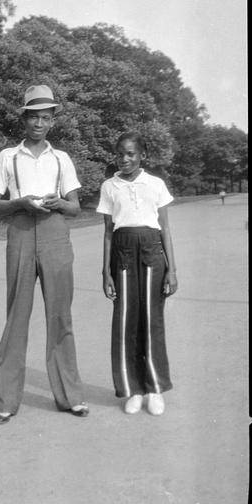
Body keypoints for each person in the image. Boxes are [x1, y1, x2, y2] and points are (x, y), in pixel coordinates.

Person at [0, 84, 89, 424]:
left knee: (60, 315)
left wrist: (59, 203)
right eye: (33, 117)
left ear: (52, 122)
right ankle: (5, 400)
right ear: (24, 118)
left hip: (55, 232)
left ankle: (70, 396)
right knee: (17, 314)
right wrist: (18, 202)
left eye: (46, 118)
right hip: (20, 229)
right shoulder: (8, 157)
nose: (39, 124)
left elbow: (75, 207)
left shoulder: (61, 159)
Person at [97, 131, 178, 416]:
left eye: (131, 153)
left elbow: (165, 229)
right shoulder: (109, 186)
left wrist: (172, 269)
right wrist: (105, 272)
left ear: (142, 155)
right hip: (122, 253)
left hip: (152, 253)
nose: (125, 158)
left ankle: (154, 388)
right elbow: (108, 232)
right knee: (125, 321)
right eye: (120, 153)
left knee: (151, 319)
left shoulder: (155, 184)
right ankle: (133, 389)